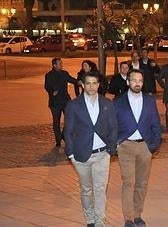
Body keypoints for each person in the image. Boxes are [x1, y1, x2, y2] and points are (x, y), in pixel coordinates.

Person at [64, 70, 118, 227]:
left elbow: (113, 127)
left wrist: (111, 149)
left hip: (102, 154)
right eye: (88, 83)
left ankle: (100, 222)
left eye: (95, 83)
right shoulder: (73, 105)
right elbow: (68, 131)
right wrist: (71, 155)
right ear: (82, 85)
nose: (92, 86)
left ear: (99, 85)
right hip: (81, 155)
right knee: (86, 190)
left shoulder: (107, 103)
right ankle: (90, 219)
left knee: (100, 189)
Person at [114, 69, 162, 227]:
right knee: (128, 182)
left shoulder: (149, 100)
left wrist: (153, 145)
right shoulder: (118, 101)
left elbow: (156, 124)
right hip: (125, 146)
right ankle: (128, 218)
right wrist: (117, 143)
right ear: (128, 82)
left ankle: (137, 215)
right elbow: (112, 125)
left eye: (140, 80)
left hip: (144, 146)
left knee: (141, 183)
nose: (137, 83)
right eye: (134, 80)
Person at [44, 57, 77, 147]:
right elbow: (47, 86)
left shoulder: (64, 73)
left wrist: (80, 82)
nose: (62, 65)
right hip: (55, 102)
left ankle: (63, 135)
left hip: (65, 100)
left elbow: (72, 80)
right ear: (54, 65)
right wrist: (52, 91)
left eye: (61, 63)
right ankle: (58, 139)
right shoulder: (49, 75)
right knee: (56, 121)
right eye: (60, 64)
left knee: (69, 119)